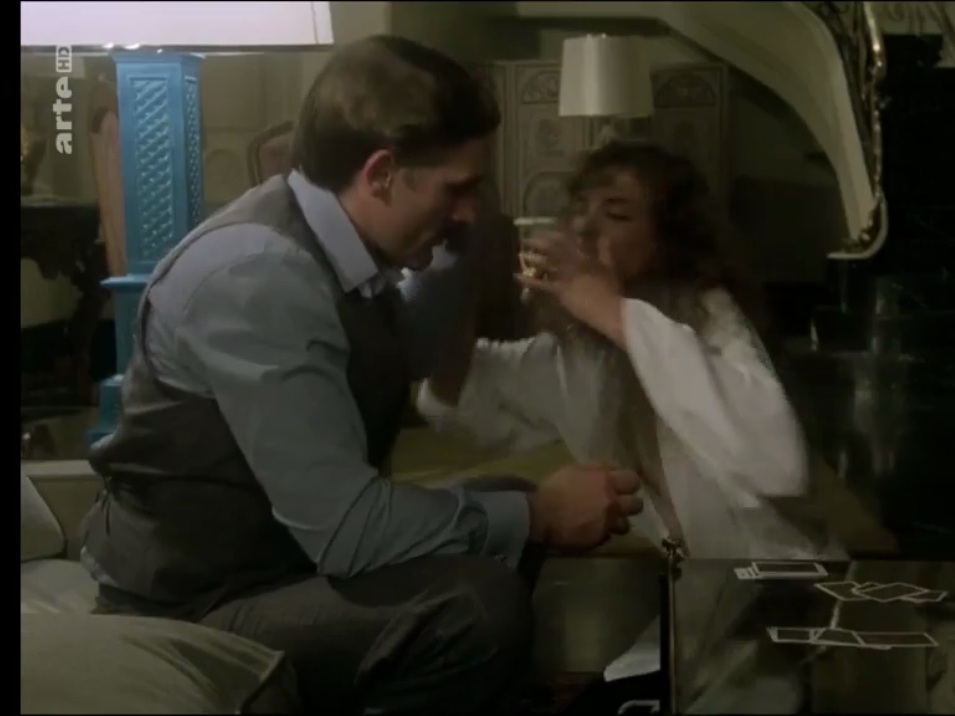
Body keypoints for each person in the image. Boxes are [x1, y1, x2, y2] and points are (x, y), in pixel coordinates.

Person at [79, 35, 643, 714]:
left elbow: (403, 357)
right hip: (189, 606)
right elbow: (350, 533)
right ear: (381, 174)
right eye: (457, 190)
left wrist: (454, 247)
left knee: (503, 502)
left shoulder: (335, 241)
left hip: (279, 562)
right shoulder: (260, 274)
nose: (472, 210)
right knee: (476, 603)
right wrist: (542, 515)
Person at [419, 140, 846, 561]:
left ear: (667, 241)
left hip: (792, 580)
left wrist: (608, 307)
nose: (584, 227)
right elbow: (456, 400)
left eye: (617, 214)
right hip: (695, 586)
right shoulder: (576, 355)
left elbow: (778, 463)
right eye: (579, 208)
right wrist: (463, 289)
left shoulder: (707, 315)